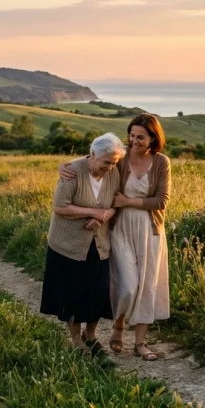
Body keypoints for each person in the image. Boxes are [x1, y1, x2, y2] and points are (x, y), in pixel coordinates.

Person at [60, 114, 171, 361]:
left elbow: (162, 200)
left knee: (147, 287)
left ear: (153, 138)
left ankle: (141, 344)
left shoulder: (161, 162)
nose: (134, 141)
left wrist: (129, 201)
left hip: (150, 231)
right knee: (128, 286)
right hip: (119, 227)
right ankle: (119, 327)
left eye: (140, 137)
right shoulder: (121, 159)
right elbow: (93, 158)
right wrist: (64, 165)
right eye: (131, 135)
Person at [41, 132, 126, 354]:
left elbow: (115, 204)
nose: (110, 167)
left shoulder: (113, 173)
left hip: (99, 243)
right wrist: (93, 212)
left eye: (114, 162)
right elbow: (60, 207)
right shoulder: (72, 171)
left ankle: (91, 334)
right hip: (68, 244)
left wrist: (104, 215)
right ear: (92, 155)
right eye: (106, 162)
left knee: (99, 292)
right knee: (73, 294)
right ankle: (75, 339)